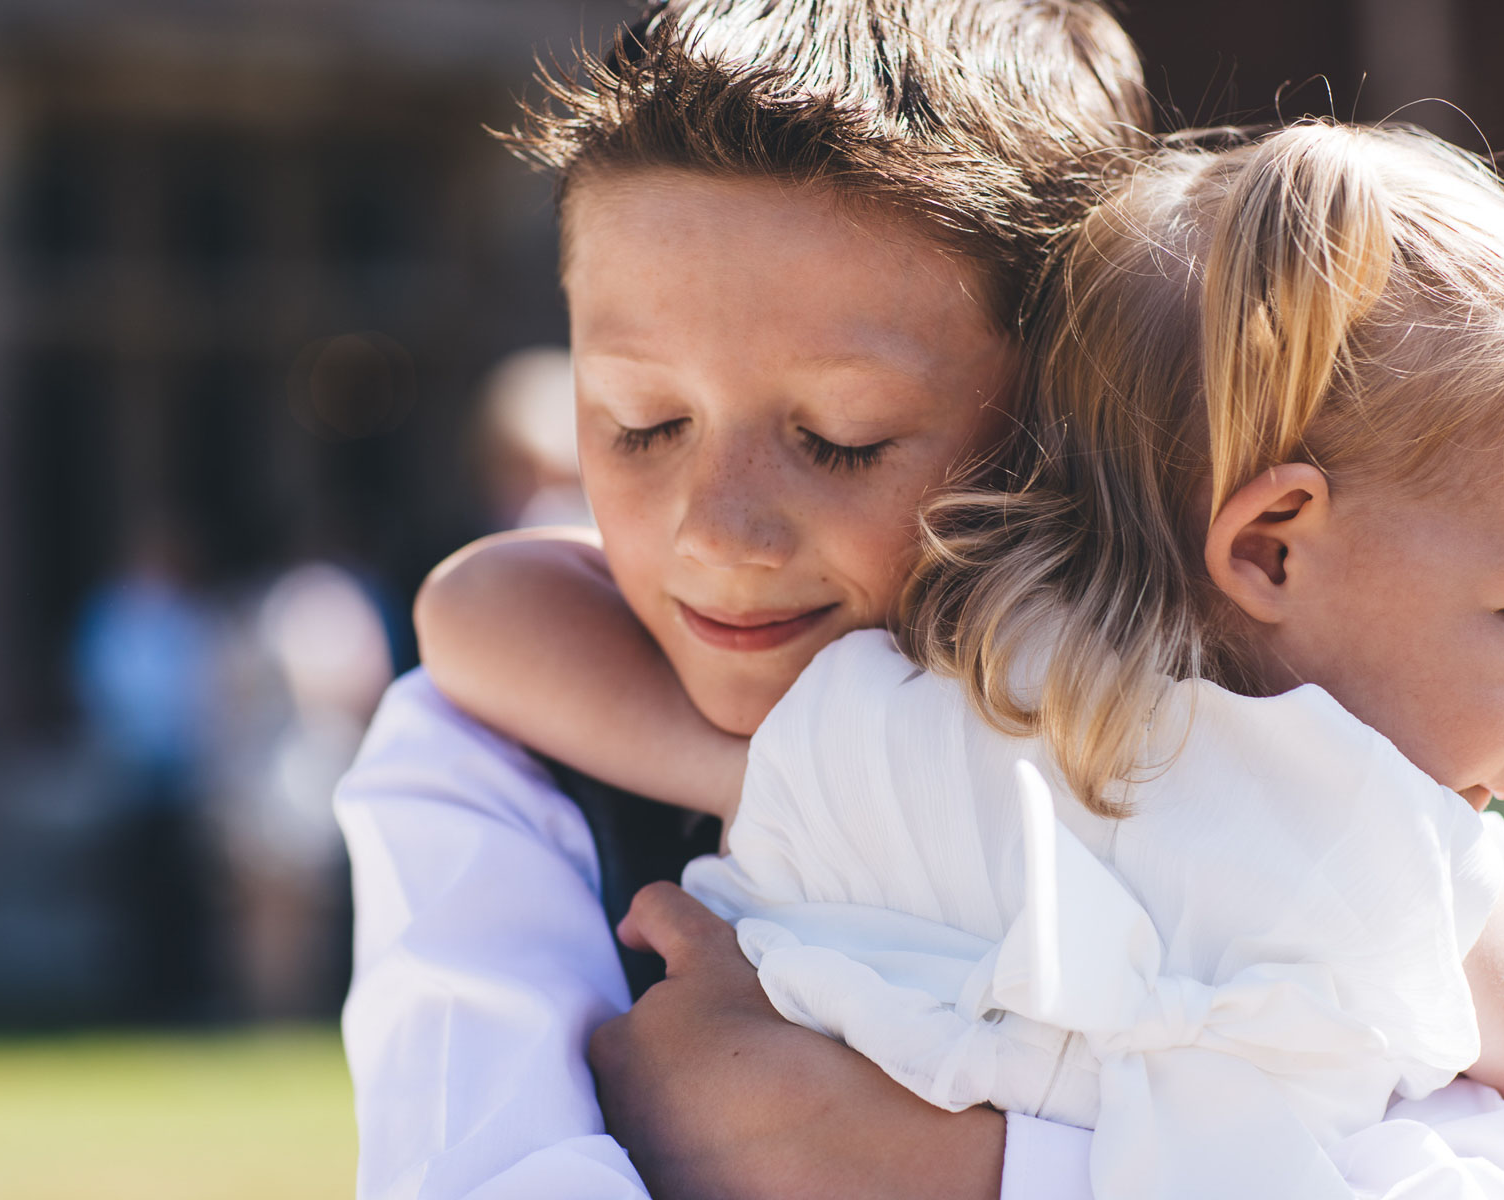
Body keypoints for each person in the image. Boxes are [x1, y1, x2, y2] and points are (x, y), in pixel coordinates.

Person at [425, 124, 1504, 1197]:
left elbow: (477, 609)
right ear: (1271, 549)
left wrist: (752, 771)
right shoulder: (1396, 858)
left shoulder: (913, 697)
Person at [338, 2, 1150, 1197]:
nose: (718, 532)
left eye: (842, 438)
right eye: (641, 424)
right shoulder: (490, 761)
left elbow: (1493, 1150)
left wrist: (952, 1169)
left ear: (1065, 417)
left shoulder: (1210, 723)